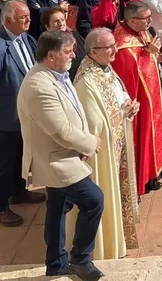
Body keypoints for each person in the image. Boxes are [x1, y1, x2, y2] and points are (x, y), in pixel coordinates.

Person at [17, 30, 105, 281]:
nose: (73, 55)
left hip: (64, 154)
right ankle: (80, 259)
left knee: (58, 207)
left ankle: (56, 262)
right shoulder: (38, 86)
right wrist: (89, 143)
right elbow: (60, 130)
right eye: (68, 51)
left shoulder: (55, 75)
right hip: (56, 159)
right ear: (52, 55)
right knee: (93, 200)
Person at [0, 0, 46, 226]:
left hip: (24, 114)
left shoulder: (25, 38)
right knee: (3, 162)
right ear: (7, 21)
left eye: (28, 16)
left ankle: (18, 190)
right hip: (4, 116)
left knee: (21, 156)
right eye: (23, 17)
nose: (28, 20)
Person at [73, 28, 141, 261]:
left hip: (118, 143)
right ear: (93, 51)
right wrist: (121, 114)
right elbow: (94, 124)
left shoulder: (104, 67)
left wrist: (129, 107)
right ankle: (103, 246)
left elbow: (117, 97)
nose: (115, 49)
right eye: (109, 46)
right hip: (101, 154)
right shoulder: (86, 80)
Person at [112, 1, 162, 195]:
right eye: (145, 18)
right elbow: (130, 75)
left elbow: (150, 57)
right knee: (144, 135)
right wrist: (150, 55)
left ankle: (155, 170)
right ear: (131, 20)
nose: (149, 21)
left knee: (156, 130)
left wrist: (158, 58)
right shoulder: (123, 45)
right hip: (140, 101)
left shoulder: (141, 31)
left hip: (152, 95)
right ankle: (145, 178)